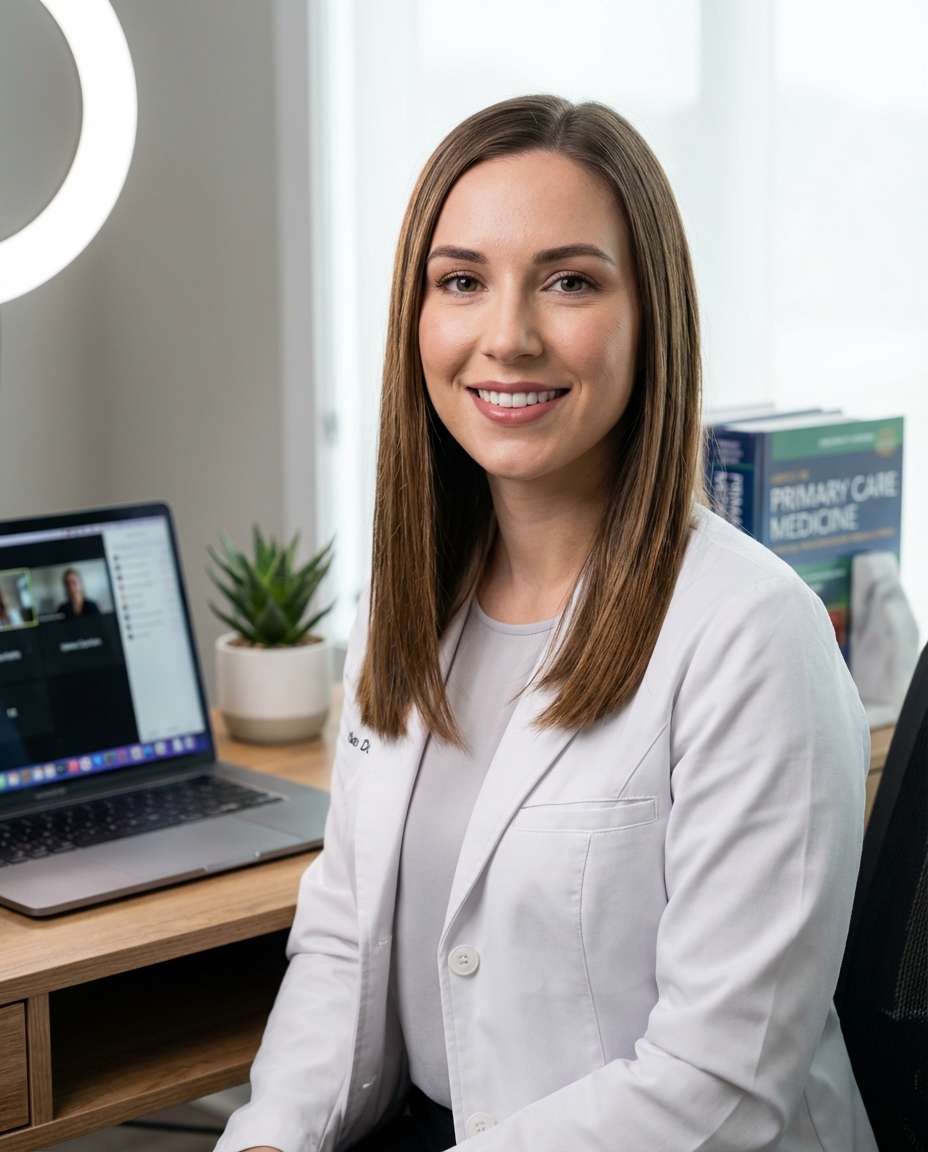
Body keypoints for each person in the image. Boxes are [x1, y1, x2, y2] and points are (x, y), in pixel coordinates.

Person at [214, 95, 877, 1152]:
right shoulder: (410, 604)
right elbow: (344, 941)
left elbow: (718, 1087)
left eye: (569, 281)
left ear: (650, 312)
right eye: (462, 282)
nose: (507, 336)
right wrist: (265, 1138)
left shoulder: (753, 635)